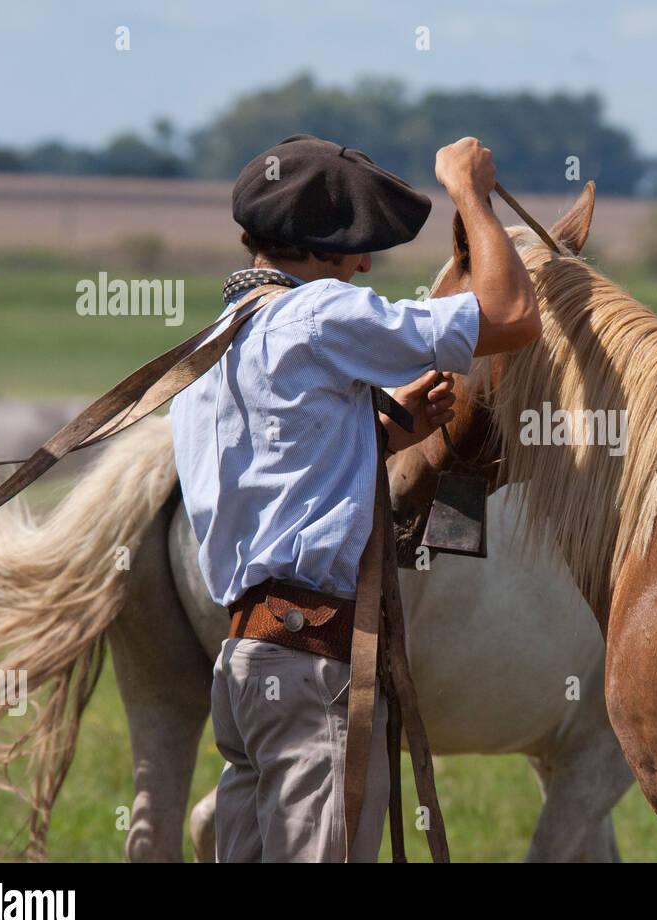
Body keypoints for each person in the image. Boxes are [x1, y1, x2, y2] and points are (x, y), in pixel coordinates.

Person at [169, 133, 539, 862]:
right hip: (312, 670)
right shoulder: (319, 316)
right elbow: (512, 315)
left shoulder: (210, 351)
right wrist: (470, 191)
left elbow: (283, 470)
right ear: (319, 246)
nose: (366, 263)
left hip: (245, 667)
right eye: (354, 246)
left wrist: (386, 430)